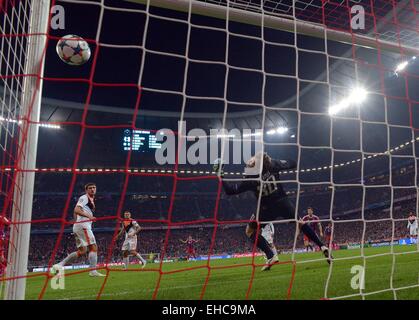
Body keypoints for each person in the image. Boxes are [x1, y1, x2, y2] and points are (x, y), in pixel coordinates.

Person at [214, 152, 332, 271]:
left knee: (250, 231)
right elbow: (293, 163)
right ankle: (322, 246)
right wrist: (278, 161)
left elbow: (230, 191)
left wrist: (221, 175)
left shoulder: (250, 176)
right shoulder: (273, 164)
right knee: (300, 223)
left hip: (266, 209)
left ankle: (271, 255)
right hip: (283, 202)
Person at [51, 183, 105, 277]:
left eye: (94, 188)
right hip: (83, 226)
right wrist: (89, 216)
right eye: (90, 188)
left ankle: (59, 265)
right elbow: (76, 209)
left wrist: (77, 221)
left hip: (79, 226)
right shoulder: (84, 197)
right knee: (93, 247)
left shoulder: (91, 200)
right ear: (86, 190)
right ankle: (93, 271)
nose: (92, 189)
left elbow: (74, 211)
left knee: (82, 251)